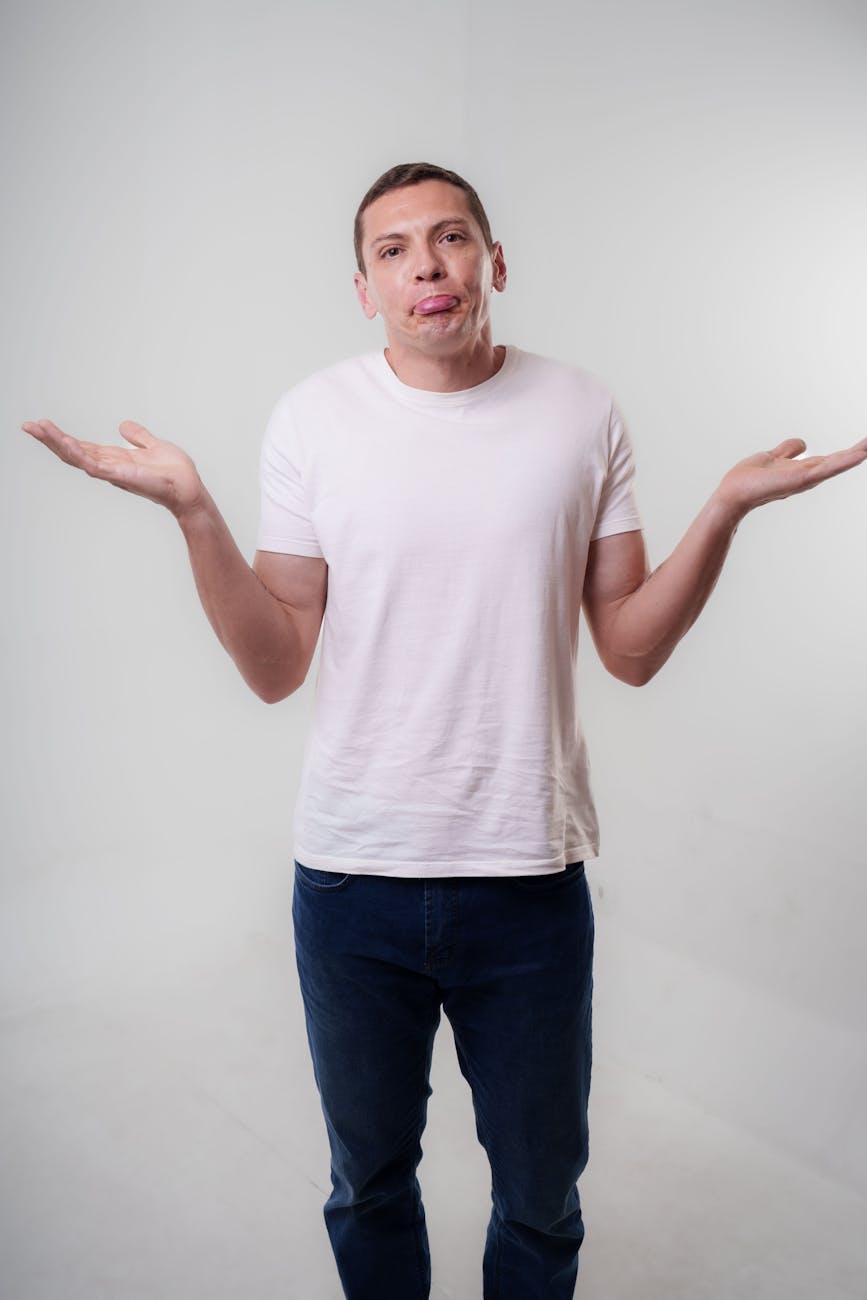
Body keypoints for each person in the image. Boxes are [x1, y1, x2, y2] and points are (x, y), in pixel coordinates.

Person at [22, 161, 867, 1300]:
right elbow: (277, 662)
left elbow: (628, 644)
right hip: (353, 882)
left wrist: (721, 510)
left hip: (527, 880)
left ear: (494, 264)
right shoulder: (313, 419)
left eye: (452, 237)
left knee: (541, 1199)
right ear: (365, 288)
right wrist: (194, 511)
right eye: (393, 248)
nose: (426, 262)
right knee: (368, 1182)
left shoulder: (581, 411)